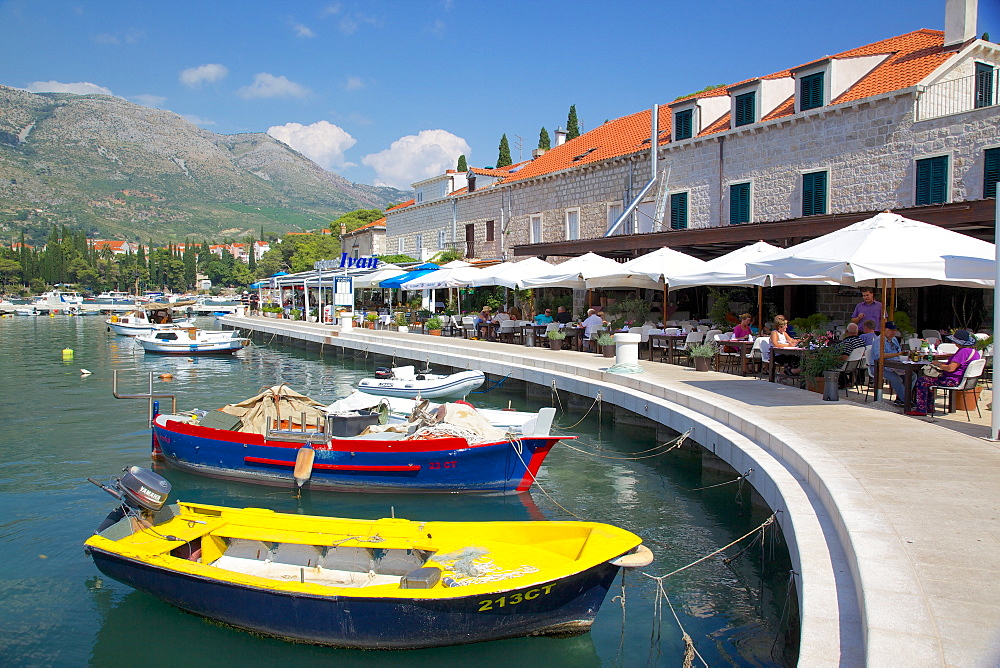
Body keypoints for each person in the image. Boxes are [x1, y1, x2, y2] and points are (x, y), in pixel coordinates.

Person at [906, 329, 981, 416]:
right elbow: (958, 365)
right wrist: (941, 364)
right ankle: (929, 407)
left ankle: (921, 409)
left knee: (922, 381)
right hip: (963, 380)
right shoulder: (974, 352)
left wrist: (937, 364)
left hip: (952, 381)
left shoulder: (963, 352)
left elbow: (950, 368)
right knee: (928, 381)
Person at [871, 321, 909, 407]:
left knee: (912, 375)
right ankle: (906, 400)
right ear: (884, 330)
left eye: (895, 330)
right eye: (891, 330)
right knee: (896, 379)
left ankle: (901, 398)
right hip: (879, 367)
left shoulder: (894, 339)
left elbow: (899, 352)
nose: (893, 332)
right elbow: (879, 356)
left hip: (895, 365)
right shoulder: (879, 340)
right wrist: (897, 354)